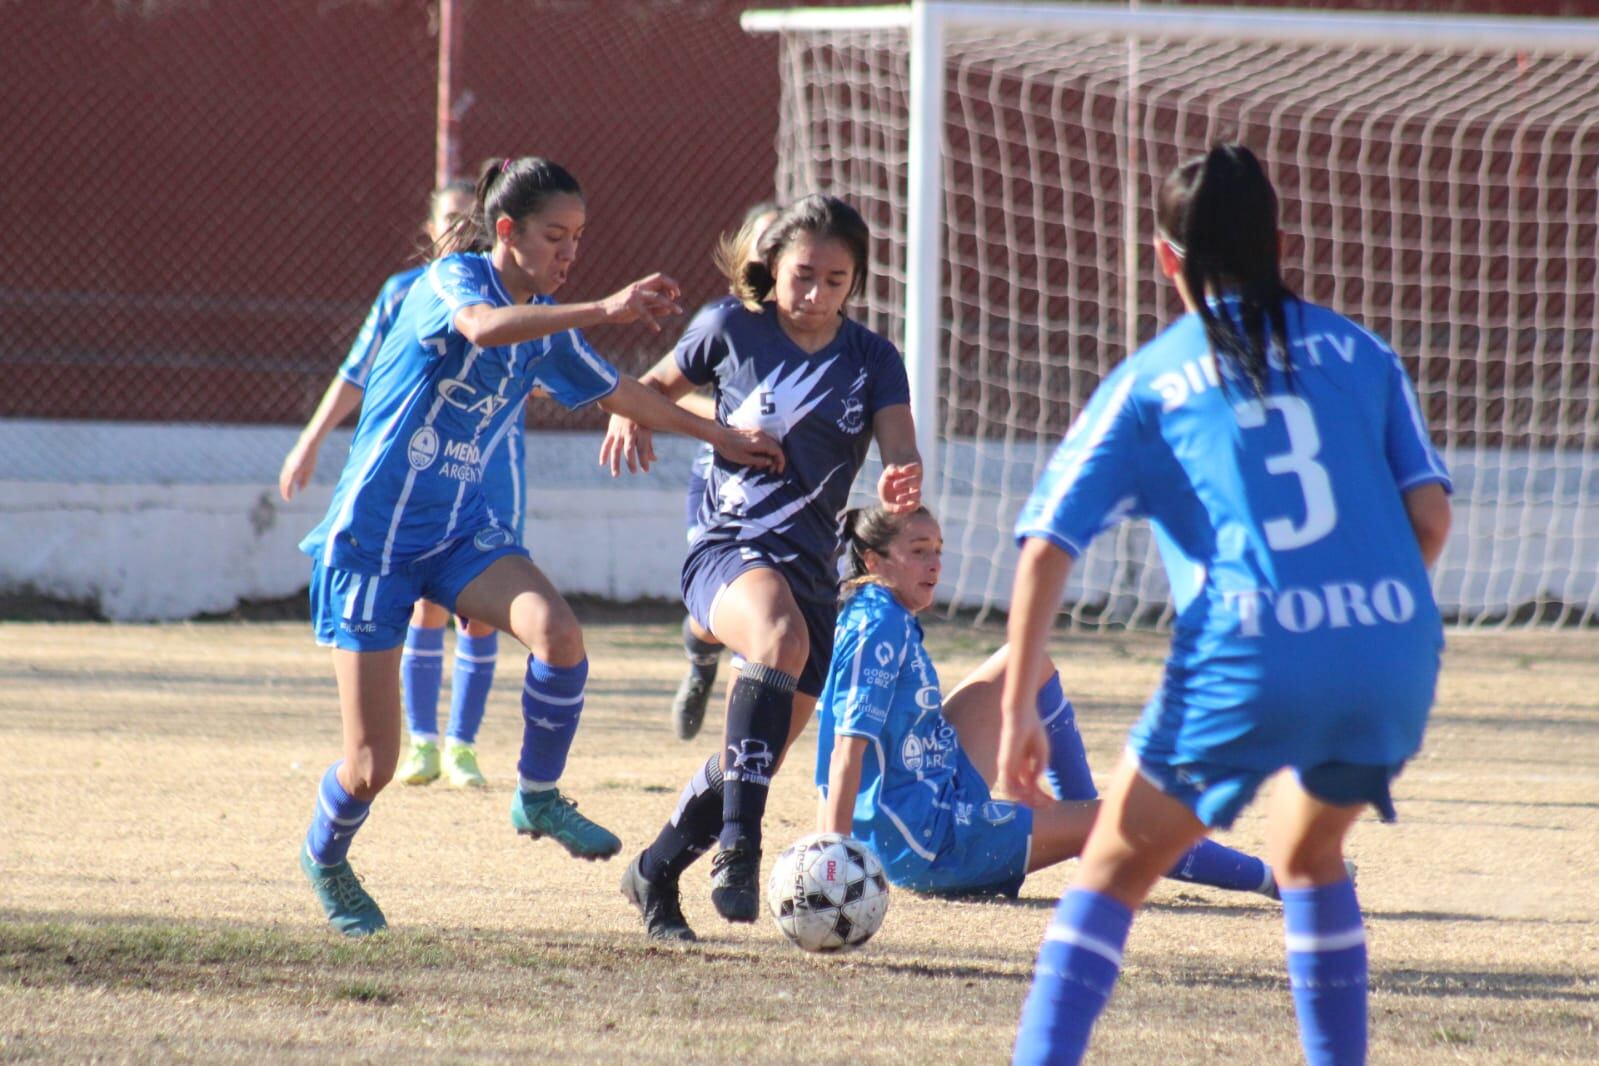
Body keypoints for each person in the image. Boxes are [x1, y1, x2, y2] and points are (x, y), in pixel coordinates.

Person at [998, 144, 1452, 1065]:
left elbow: (1048, 545)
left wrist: (1015, 709)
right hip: (1390, 649)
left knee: (1112, 870)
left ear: (1165, 258)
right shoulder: (1362, 353)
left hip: (1252, 646)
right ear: (1282, 243)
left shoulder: (1153, 378)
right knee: (1308, 856)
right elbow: (1431, 519)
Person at [295, 155, 783, 937]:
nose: (568, 252)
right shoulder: (454, 283)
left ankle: (537, 794)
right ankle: (326, 857)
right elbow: (482, 331)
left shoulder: (546, 319)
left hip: (456, 534)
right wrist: (603, 306)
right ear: (505, 232)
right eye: (555, 236)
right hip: (373, 541)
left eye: (578, 238)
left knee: (558, 632)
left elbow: (618, 392)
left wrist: (719, 435)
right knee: (370, 767)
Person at [602, 194, 923, 941]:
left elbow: (900, 446)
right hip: (727, 546)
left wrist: (903, 474)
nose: (815, 295)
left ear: (856, 283)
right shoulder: (730, 328)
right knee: (776, 638)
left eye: (835, 281)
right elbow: (650, 388)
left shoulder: (872, 359)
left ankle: (652, 872)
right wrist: (629, 411)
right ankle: (739, 853)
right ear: (770, 268)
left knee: (751, 756)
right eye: (802, 275)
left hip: (813, 568)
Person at [816, 505, 1278, 901]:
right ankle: (1276, 881)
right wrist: (833, 858)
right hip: (928, 843)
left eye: (938, 549)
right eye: (918, 552)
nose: (935, 564)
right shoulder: (878, 627)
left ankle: (1083, 822)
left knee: (1026, 660)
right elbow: (844, 752)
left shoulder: (882, 610)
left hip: (931, 787)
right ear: (874, 560)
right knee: (1127, 817)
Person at [279, 181, 503, 790]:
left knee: (480, 616)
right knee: (425, 605)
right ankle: (424, 742)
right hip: (419, 480)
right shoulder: (406, 293)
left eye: (469, 217)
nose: (459, 226)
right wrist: (311, 440)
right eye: (449, 217)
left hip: (489, 470)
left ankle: (463, 744)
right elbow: (355, 372)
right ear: (429, 229)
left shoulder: (507, 301)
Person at [668, 201, 782, 742]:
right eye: (766, 243)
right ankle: (699, 657)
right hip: (719, 486)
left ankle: (739, 758)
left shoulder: (827, 334)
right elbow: (664, 395)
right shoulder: (726, 322)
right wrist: (727, 433)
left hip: (788, 492)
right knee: (722, 611)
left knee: (766, 615)